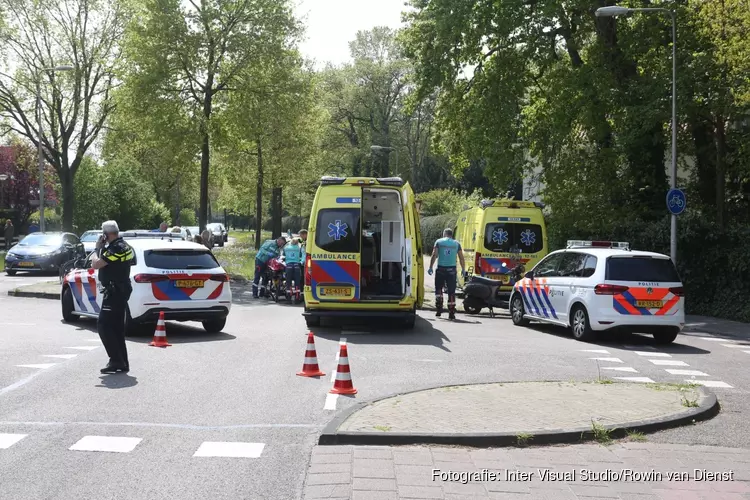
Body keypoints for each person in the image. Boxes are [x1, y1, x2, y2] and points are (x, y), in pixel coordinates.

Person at [91, 220, 135, 374]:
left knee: (103, 326)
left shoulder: (115, 249)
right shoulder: (126, 247)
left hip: (114, 291)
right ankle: (122, 362)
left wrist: (97, 249)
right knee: (116, 328)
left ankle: (116, 360)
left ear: (105, 234)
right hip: (121, 289)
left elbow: (96, 264)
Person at [428, 228, 467, 320]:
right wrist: (463, 269)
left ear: (444, 234)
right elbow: (461, 258)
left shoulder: (439, 242)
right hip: (452, 270)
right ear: (451, 235)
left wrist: (430, 267)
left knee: (439, 289)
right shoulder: (456, 244)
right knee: (451, 291)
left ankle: (439, 309)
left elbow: (434, 255)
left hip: (441, 269)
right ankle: (451, 312)